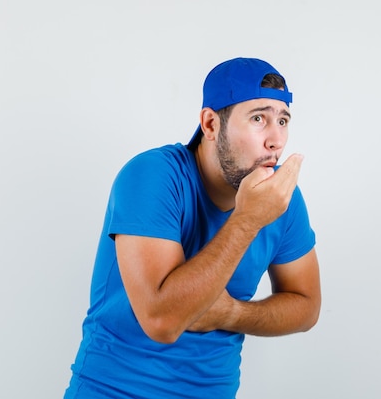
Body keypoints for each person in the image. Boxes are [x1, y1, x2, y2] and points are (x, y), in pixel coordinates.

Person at [64, 57, 321, 399]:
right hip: (115, 391)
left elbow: (306, 306)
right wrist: (247, 220)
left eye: (283, 120)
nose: (276, 140)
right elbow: (162, 322)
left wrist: (233, 313)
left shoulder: (282, 200)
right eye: (259, 118)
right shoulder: (152, 176)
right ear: (211, 124)